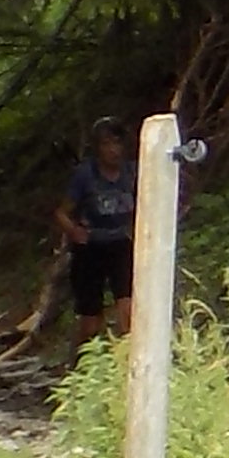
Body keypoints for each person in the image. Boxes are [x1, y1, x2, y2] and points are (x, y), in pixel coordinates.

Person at [51, 119, 142, 353]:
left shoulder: (132, 172)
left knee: (128, 308)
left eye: (117, 143)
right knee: (91, 322)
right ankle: (80, 361)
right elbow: (61, 212)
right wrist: (74, 231)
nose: (113, 150)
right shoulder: (85, 176)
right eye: (106, 144)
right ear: (97, 148)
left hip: (121, 245)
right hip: (90, 250)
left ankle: (130, 360)